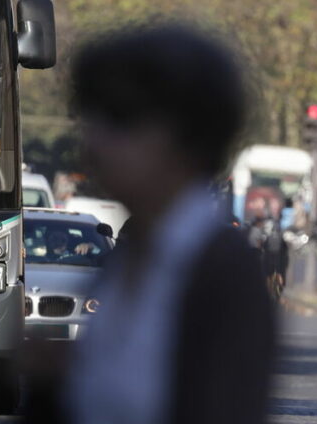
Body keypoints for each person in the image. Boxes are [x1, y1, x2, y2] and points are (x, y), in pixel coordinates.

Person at [26, 23, 274, 424]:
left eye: (118, 120)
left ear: (182, 135)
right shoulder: (125, 256)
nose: (92, 143)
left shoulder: (222, 268)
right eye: (89, 119)